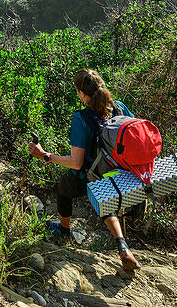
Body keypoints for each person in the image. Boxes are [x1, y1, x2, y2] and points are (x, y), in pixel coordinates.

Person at [28, 68, 142, 272]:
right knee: (106, 205)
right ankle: (123, 246)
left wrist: (45, 155)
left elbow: (76, 163)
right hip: (122, 172)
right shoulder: (120, 107)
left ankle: (64, 230)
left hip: (92, 175)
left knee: (64, 189)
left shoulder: (81, 119)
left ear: (81, 94)